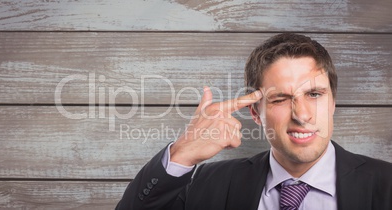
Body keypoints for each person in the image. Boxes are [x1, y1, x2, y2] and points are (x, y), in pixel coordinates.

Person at [115, 33, 392, 210]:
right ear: (255, 113)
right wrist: (182, 153)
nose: (302, 114)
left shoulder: (386, 184)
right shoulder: (208, 185)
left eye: (314, 94)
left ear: (332, 102)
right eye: (280, 98)